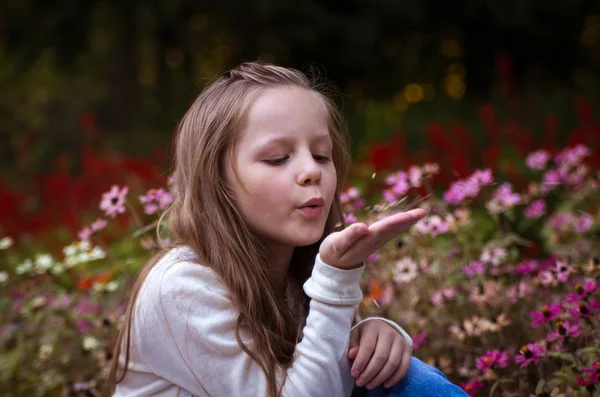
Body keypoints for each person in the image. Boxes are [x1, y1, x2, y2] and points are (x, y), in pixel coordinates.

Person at [108, 62, 468, 397]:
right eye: (278, 158)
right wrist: (337, 279)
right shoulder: (180, 286)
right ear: (216, 182)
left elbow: (327, 376)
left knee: (401, 378)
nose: (311, 171)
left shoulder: (300, 270)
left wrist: (375, 337)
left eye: (322, 155)